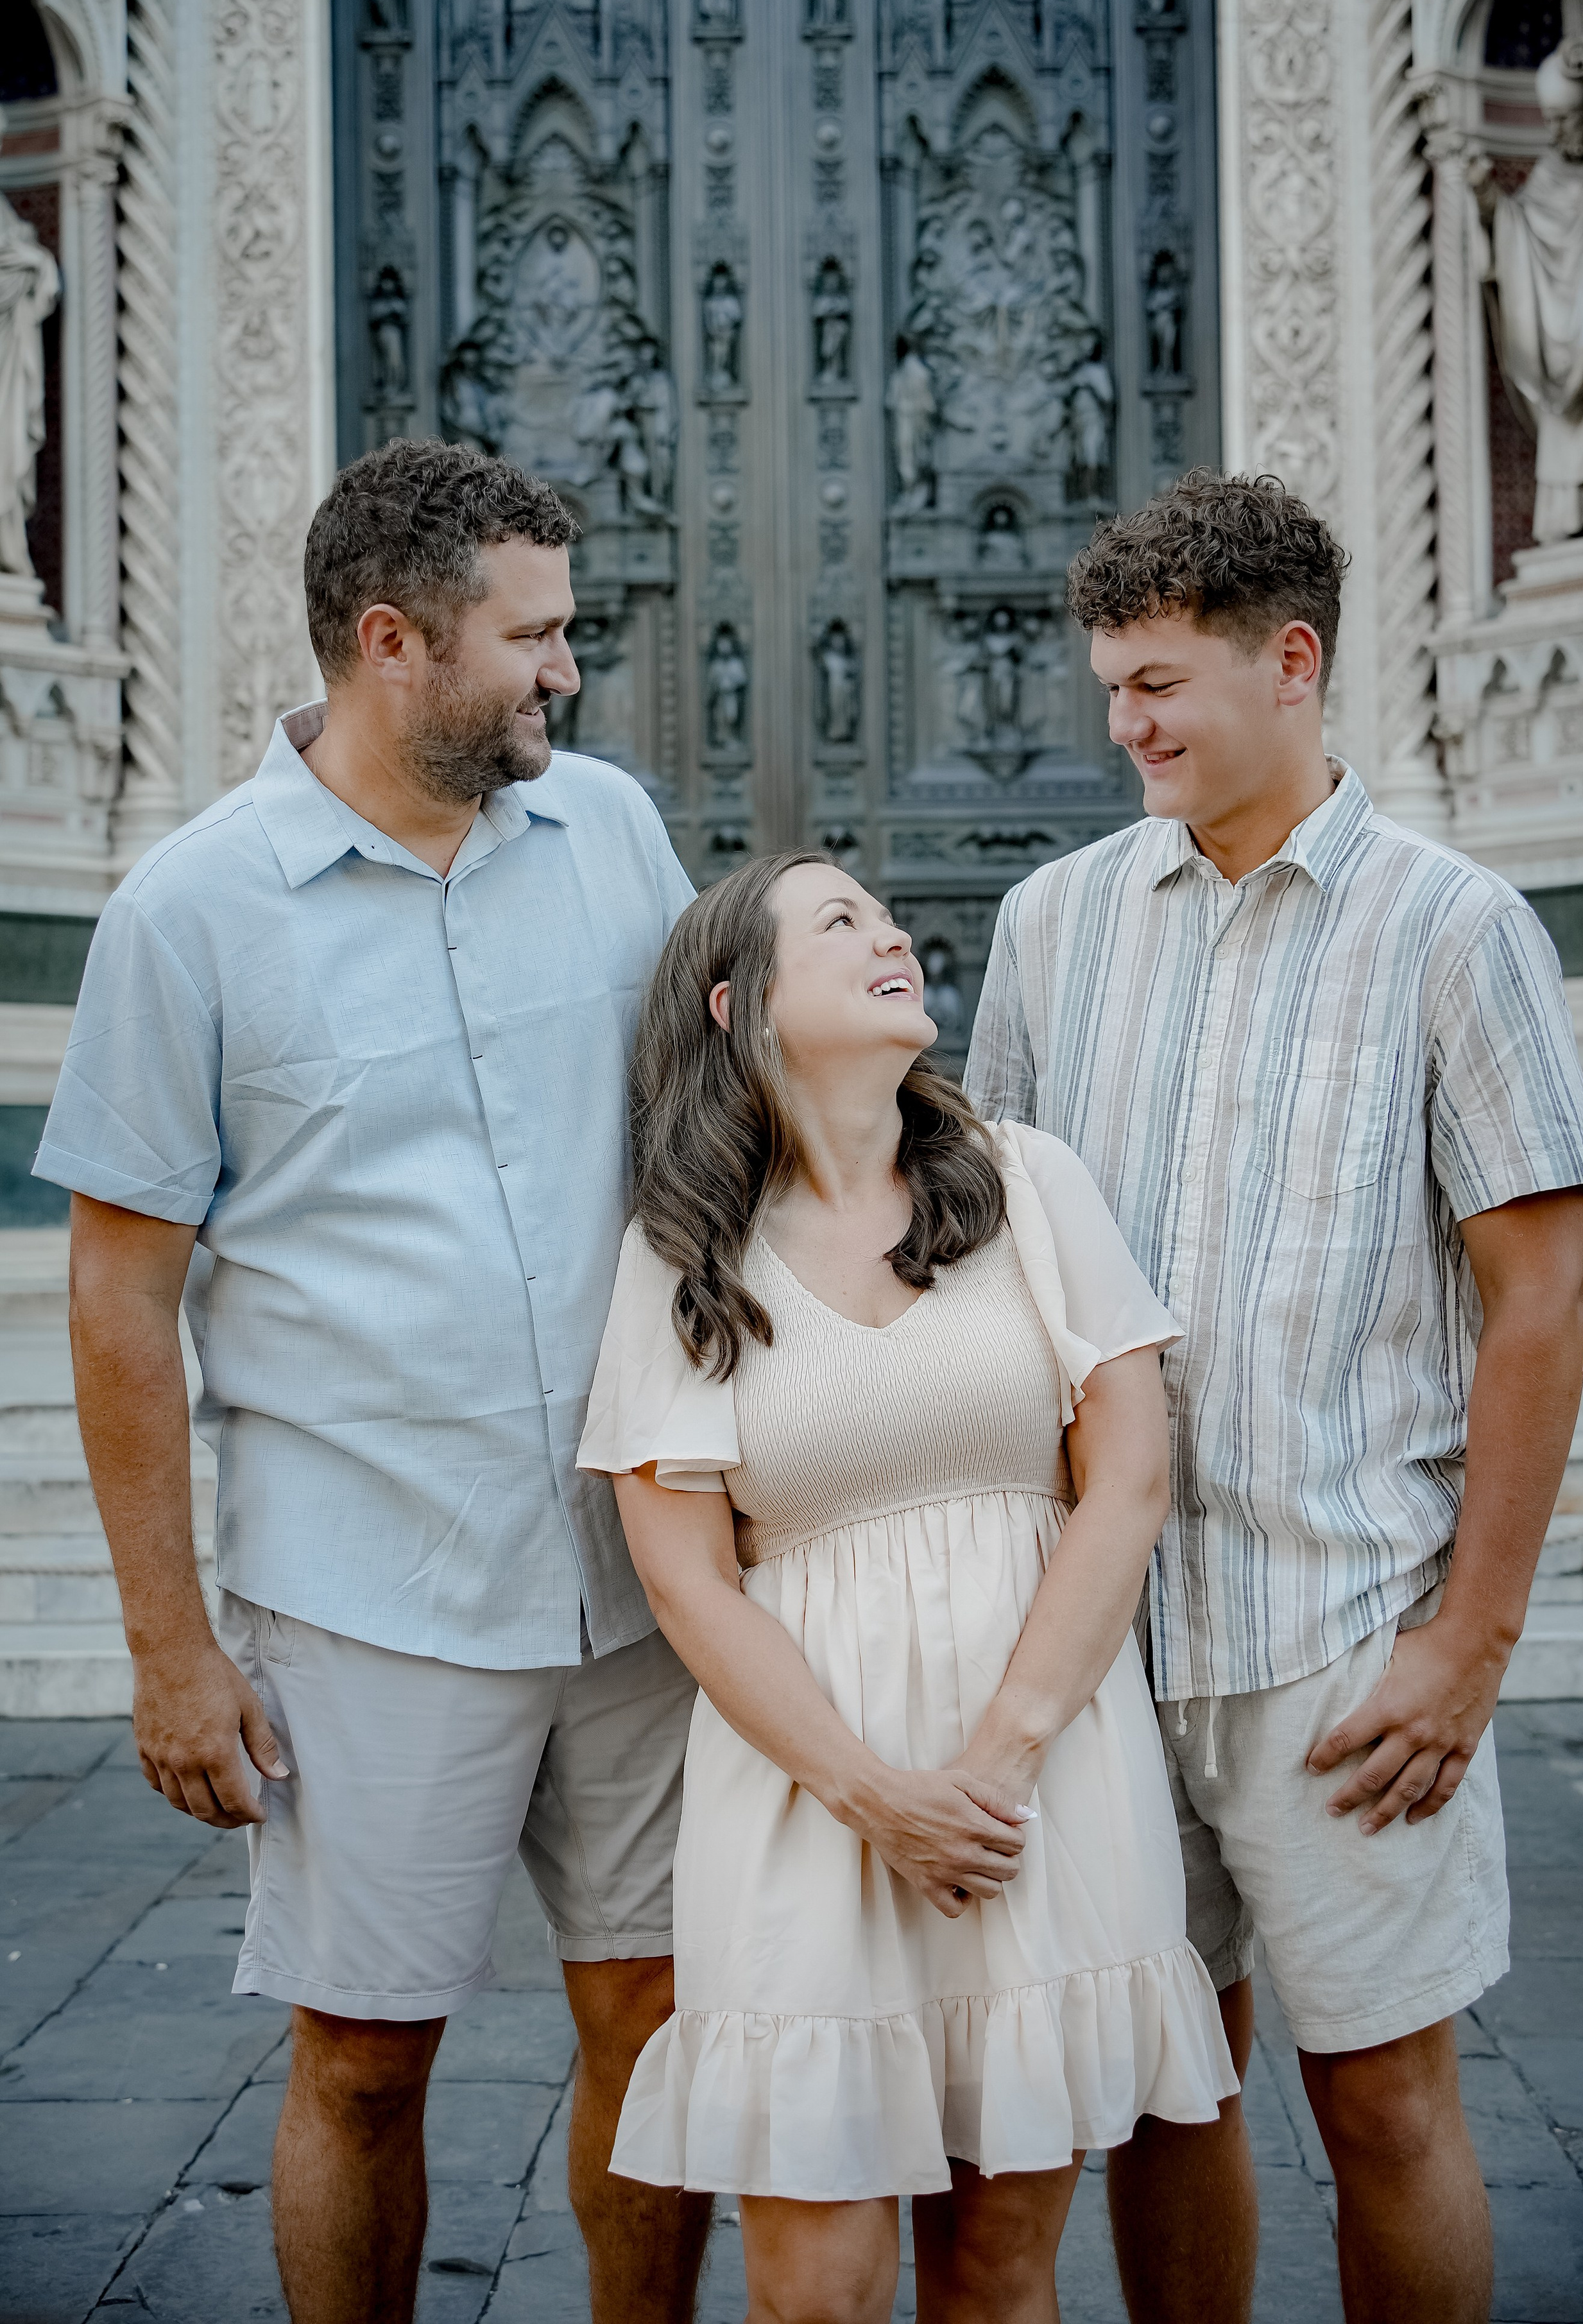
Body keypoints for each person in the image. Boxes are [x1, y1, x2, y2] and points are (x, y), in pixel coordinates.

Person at [34, 438, 708, 2324]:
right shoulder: (188, 914)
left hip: (647, 1569)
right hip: (370, 1591)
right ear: (395, 642)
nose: (569, 670)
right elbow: (118, 1298)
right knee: (362, 2054)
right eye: (537, 636)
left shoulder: (618, 837)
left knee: (655, 2017)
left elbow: (723, 1140)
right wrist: (170, 1646)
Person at [965, 468, 1583, 2324]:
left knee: (1384, 2109)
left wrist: (1468, 1650)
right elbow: (999, 1247)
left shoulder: (1456, 928)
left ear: (1295, 662)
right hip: (1102, 1641)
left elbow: (1542, 1301)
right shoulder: (1052, 925)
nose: (1127, 724)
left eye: (1160, 681)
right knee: (1170, 2098)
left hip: (1339, 1639)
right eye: (1112, 686)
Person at [576, 852, 1239, 2324]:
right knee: (814, 2283)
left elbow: (1123, 1482)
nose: (891, 933)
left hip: (1036, 1786)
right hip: (810, 1799)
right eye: (839, 923)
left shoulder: (1029, 1180)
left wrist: (991, 1771)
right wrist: (876, 1793)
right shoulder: (679, 1259)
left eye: (886, 913)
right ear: (738, 1005)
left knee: (998, 2267)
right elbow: (686, 1584)